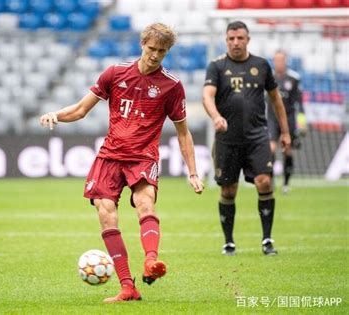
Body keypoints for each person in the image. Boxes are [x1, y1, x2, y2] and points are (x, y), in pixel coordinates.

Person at [40, 23, 204, 302]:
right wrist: (56, 114)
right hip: (110, 156)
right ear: (142, 44)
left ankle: (151, 261)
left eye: (162, 52)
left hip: (143, 156)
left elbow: (182, 132)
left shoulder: (172, 86)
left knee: (145, 204)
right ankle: (128, 287)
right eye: (152, 49)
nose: (155, 55)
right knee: (105, 213)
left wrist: (193, 172)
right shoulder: (115, 73)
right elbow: (80, 110)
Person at [202, 21, 291, 256]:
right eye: (231, 39)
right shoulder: (217, 66)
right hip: (227, 139)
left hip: (257, 137)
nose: (235, 42)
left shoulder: (261, 65)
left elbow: (276, 100)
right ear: (226, 40)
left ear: (247, 39)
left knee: (264, 181)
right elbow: (207, 96)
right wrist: (216, 116)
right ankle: (229, 241)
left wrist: (285, 132)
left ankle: (267, 240)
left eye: (240, 38)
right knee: (228, 191)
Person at [267, 49, 306, 194]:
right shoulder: (268, 77)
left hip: (288, 119)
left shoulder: (293, 78)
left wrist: (301, 123)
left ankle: (286, 183)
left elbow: (299, 103)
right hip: (272, 118)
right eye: (276, 60)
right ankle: (270, 182)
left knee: (286, 150)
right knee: (270, 149)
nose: (279, 62)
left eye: (281, 60)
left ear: (286, 61)